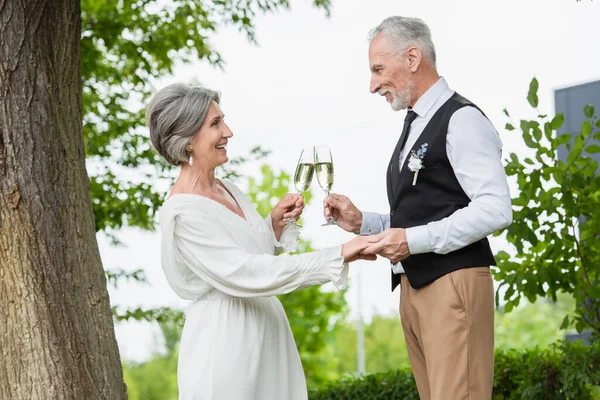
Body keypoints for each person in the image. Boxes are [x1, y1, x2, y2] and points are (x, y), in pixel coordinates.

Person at [323, 16, 512, 400]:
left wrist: (413, 241)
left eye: (378, 69)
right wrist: (365, 223)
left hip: (452, 286)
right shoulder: (414, 124)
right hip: (415, 288)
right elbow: (427, 211)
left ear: (412, 58)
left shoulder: (462, 119)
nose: (372, 84)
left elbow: (495, 209)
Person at [147, 83, 375, 400]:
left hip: (268, 330)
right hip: (228, 343)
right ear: (187, 141)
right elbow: (246, 272)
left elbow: (248, 253)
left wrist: (273, 227)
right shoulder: (182, 213)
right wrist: (336, 255)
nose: (228, 131)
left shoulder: (227, 188)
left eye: (222, 120)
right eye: (215, 124)